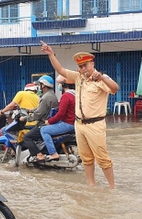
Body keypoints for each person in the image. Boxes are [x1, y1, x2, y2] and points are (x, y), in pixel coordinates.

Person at [41, 41, 119, 189]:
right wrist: (51, 54)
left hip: (95, 125)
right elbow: (61, 70)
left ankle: (112, 188)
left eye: (85, 65)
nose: (83, 69)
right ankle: (91, 185)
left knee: (102, 158)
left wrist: (101, 77)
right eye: (80, 66)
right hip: (79, 125)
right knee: (86, 159)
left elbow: (115, 88)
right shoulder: (78, 78)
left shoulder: (101, 79)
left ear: (92, 64)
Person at [36, 75, 76, 162]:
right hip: (73, 123)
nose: (59, 86)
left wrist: (49, 121)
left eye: (60, 84)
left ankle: (53, 153)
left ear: (64, 85)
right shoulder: (74, 95)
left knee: (44, 130)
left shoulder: (66, 96)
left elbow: (60, 114)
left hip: (67, 123)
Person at [19, 75, 59, 160]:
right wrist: (31, 110)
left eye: (40, 84)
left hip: (43, 124)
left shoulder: (45, 97)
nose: (39, 86)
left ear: (44, 85)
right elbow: (42, 108)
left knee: (27, 137)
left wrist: (25, 118)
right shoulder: (52, 95)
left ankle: (39, 154)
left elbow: (38, 114)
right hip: (50, 122)